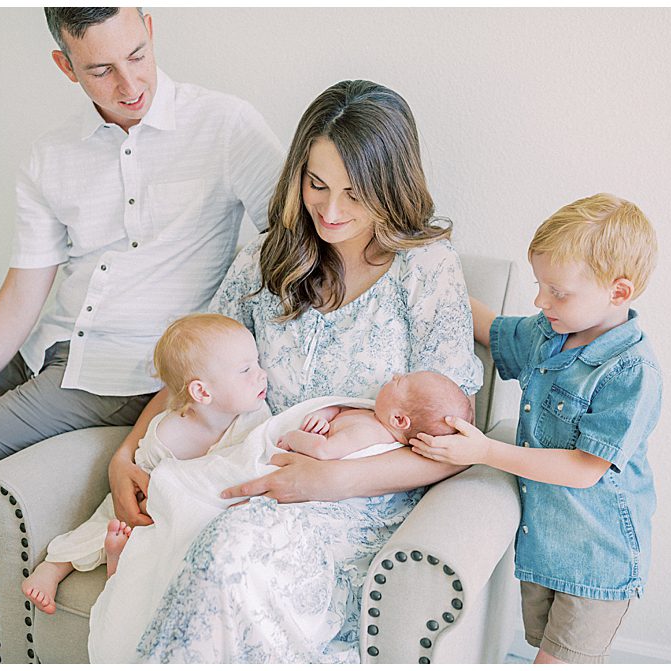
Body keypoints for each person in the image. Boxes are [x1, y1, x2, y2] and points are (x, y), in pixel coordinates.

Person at [0, 7, 282, 655]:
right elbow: (21, 296)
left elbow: (305, 233)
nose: (129, 83)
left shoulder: (225, 125)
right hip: (50, 350)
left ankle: (22, 647)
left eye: (136, 54)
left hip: (126, 371)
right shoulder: (52, 157)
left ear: (150, 29)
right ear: (64, 65)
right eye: (100, 68)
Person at [102, 79, 485, 663]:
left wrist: (329, 481)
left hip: (353, 506)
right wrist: (127, 454)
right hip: (247, 473)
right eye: (317, 184)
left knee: (229, 556)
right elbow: (196, 374)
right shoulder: (267, 257)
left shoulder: (426, 270)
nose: (330, 211)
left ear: (391, 187)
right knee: (204, 542)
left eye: (355, 194)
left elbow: (450, 439)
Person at [411, 193, 662, 664]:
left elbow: (586, 468)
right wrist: (429, 277)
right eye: (540, 285)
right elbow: (492, 328)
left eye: (558, 292)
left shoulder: (630, 372)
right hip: (545, 549)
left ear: (619, 292)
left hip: (597, 561)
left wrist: (484, 452)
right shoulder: (548, 334)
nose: (540, 300)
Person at [89, 369, 476, 663]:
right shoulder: (255, 273)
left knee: (229, 545)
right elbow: (192, 365)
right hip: (253, 456)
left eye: (403, 382)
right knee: (195, 514)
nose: (394, 376)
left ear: (402, 422)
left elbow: (458, 443)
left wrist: (332, 477)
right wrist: (124, 455)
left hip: (341, 501)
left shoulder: (427, 279)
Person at [21, 313, 270, 615]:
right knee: (112, 518)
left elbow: (257, 464)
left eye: (256, 363)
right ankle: (55, 566)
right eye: (246, 370)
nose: (261, 374)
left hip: (204, 510)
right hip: (155, 507)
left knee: (173, 542)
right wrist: (145, 498)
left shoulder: (255, 418)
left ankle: (122, 564)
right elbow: (141, 474)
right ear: (202, 392)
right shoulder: (167, 432)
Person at [276, 370, 474, 460]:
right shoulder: (376, 417)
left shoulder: (368, 433)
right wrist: (323, 415)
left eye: (399, 381)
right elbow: (341, 410)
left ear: (398, 419)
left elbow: (323, 450)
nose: (395, 375)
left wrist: (292, 438)